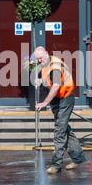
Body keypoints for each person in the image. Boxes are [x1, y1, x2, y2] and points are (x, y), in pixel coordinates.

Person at [33, 46, 86, 174]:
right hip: (58, 100)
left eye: (40, 59)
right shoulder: (46, 62)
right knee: (65, 130)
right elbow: (48, 79)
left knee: (59, 131)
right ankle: (78, 158)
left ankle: (56, 165)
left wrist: (45, 102)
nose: (39, 62)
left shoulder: (55, 67)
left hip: (65, 99)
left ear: (46, 54)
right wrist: (40, 80)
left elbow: (56, 86)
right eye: (37, 60)